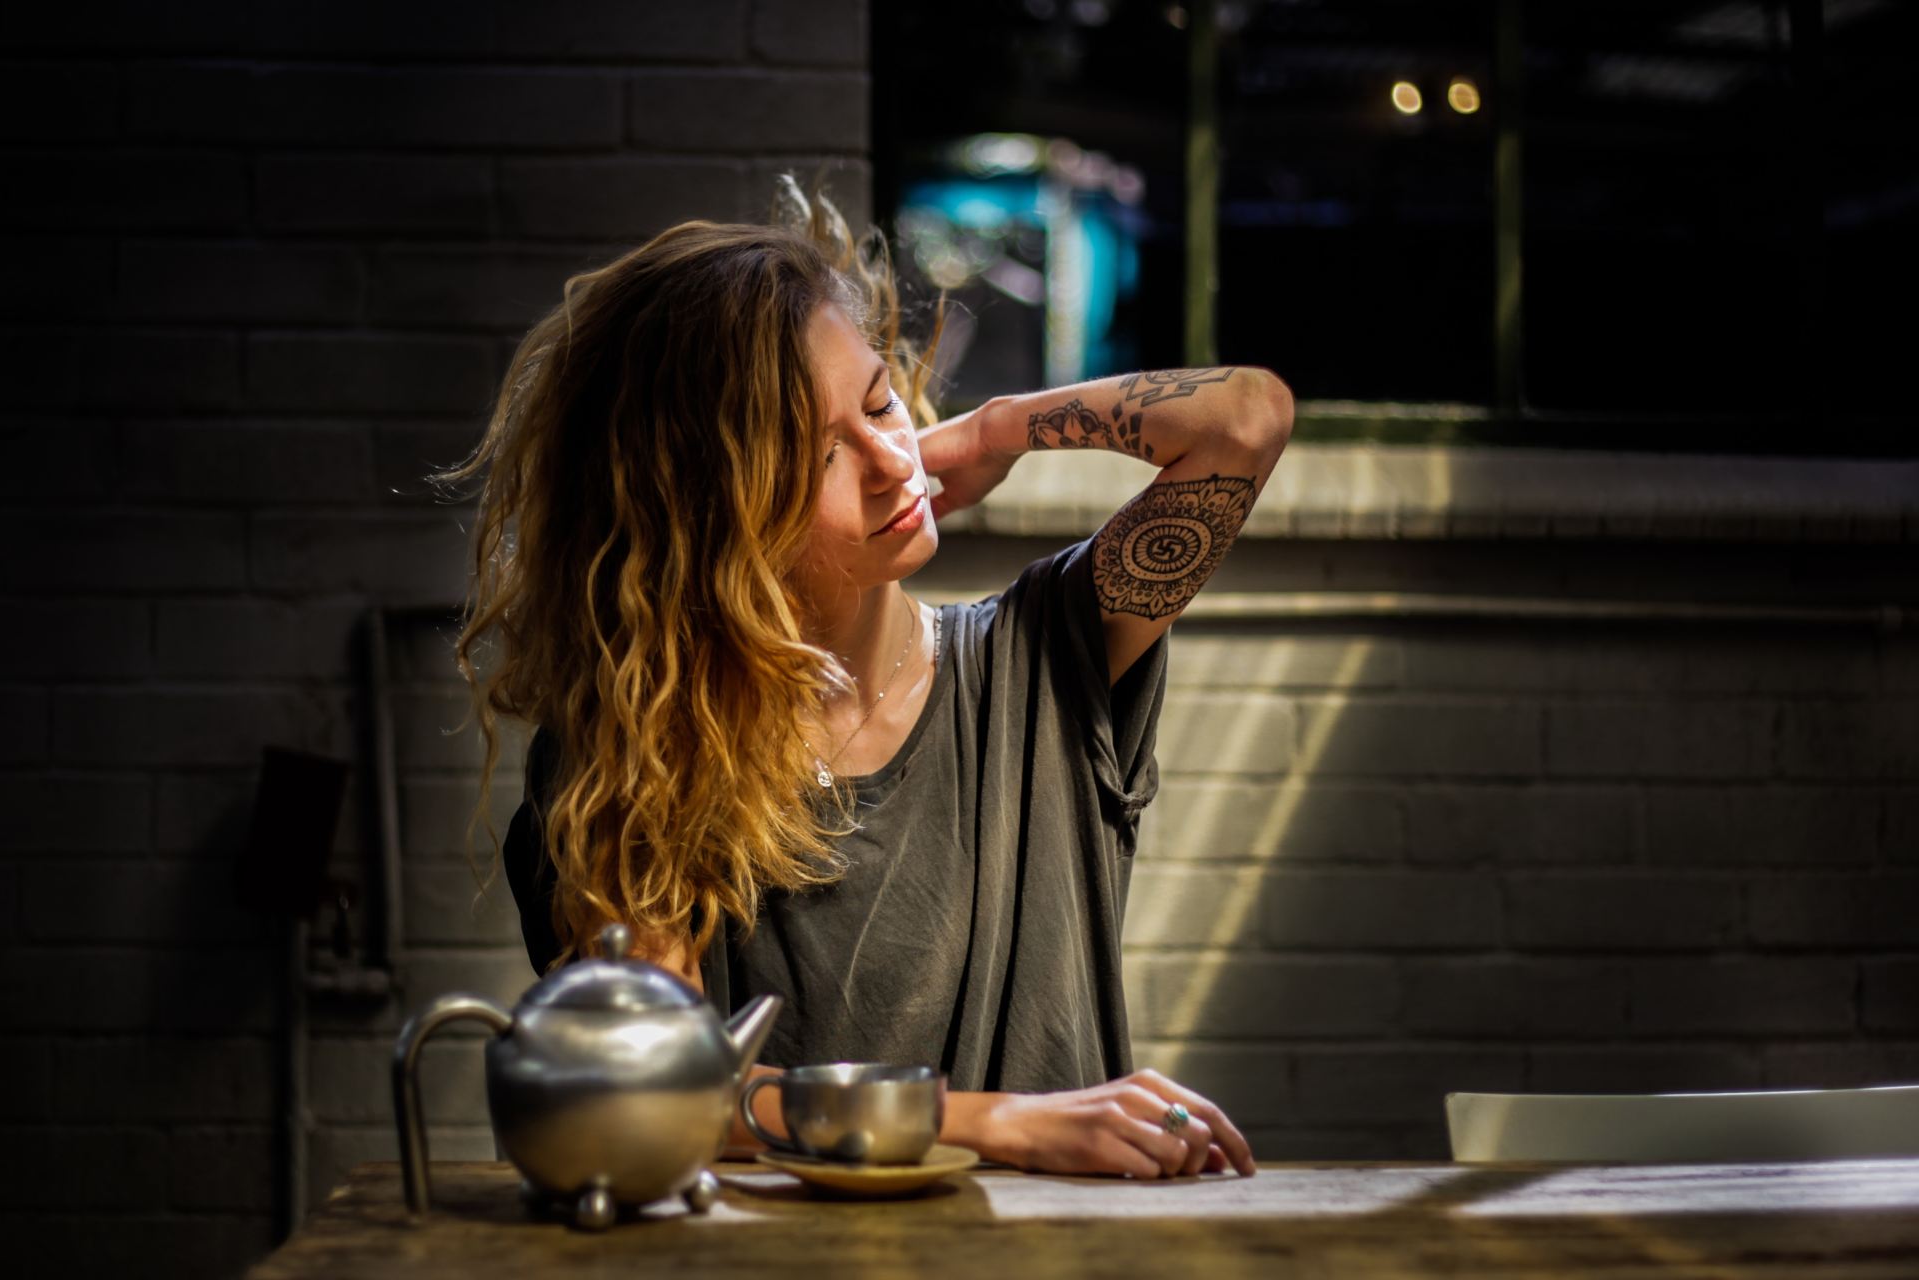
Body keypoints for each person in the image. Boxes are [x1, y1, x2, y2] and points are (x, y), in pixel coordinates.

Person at [434, 173, 1293, 1180]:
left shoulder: (1047, 657)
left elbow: (1244, 419)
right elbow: (649, 1091)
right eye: (817, 459)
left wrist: (993, 427)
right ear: (718, 522)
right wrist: (995, 1120)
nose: (891, 460)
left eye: (882, 400)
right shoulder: (642, 751)